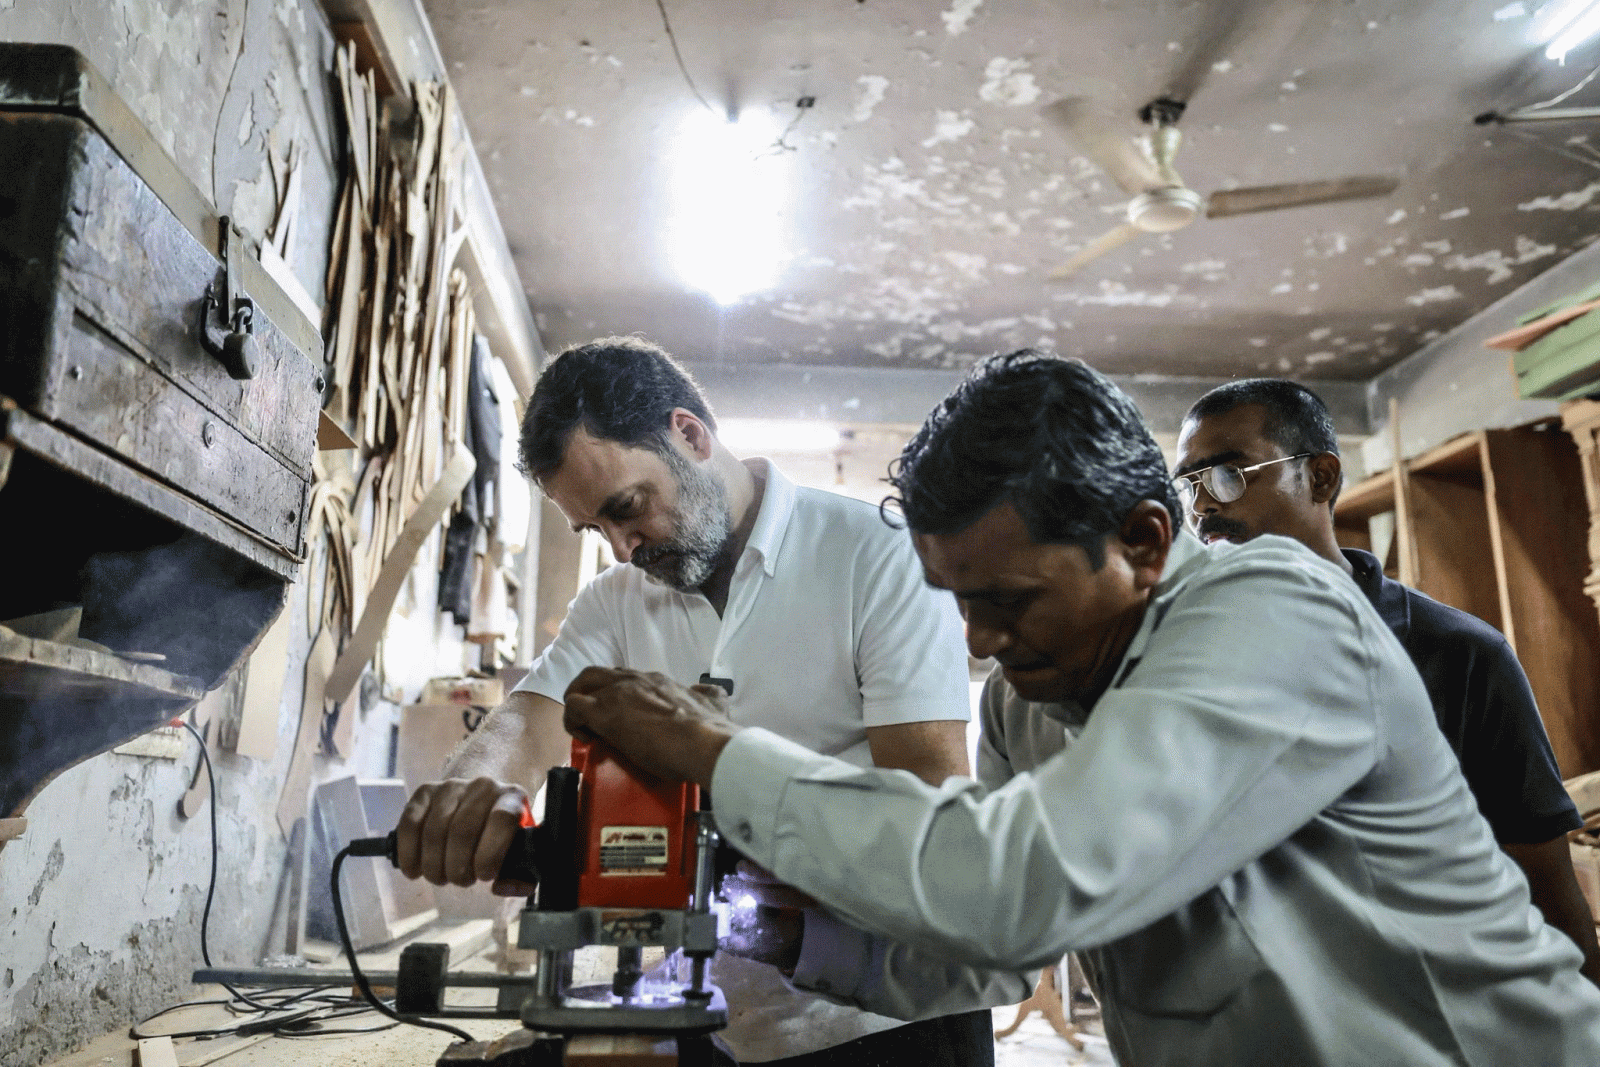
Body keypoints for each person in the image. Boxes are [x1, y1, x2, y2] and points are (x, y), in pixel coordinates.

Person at [562, 350, 1600, 1066]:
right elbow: (990, 947)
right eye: (959, 602)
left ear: (1145, 540)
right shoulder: (1031, 701)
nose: (976, 641)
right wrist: (805, 937)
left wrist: (717, 752)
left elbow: (1031, 878)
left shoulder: (1278, 611)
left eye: (1006, 601)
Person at [394, 336, 996, 1066]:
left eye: (627, 507)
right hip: (720, 1014)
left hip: (886, 1021)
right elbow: (528, 717)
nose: (622, 547)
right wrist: (478, 784)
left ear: (690, 434)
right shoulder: (615, 603)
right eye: (596, 529)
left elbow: (931, 802)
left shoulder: (877, 557)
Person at [1173, 377, 1600, 985]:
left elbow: (1543, 880)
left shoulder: (1458, 654)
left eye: (1228, 476)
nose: (1202, 507)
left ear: (1320, 478)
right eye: (1190, 485)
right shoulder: (1192, 662)